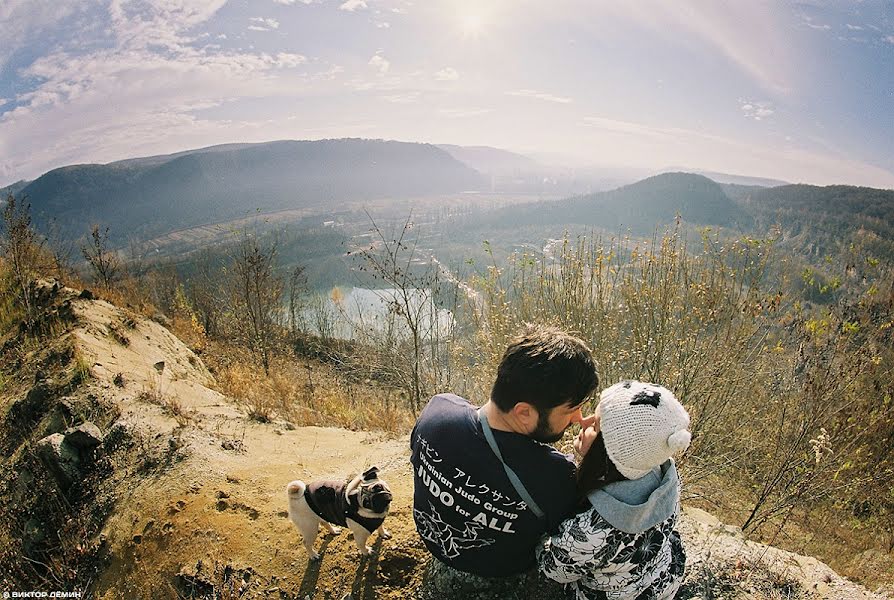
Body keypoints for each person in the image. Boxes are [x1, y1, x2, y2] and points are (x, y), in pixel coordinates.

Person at [411, 325, 599, 599]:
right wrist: (596, 459)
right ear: (524, 412)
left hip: (435, 543)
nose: (577, 418)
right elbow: (588, 529)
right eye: (570, 410)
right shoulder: (556, 476)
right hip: (503, 571)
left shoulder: (437, 412)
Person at [537, 380, 690, 600]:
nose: (583, 420)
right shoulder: (665, 474)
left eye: (596, 426)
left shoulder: (590, 532)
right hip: (663, 580)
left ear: (608, 455)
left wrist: (541, 537)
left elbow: (554, 568)